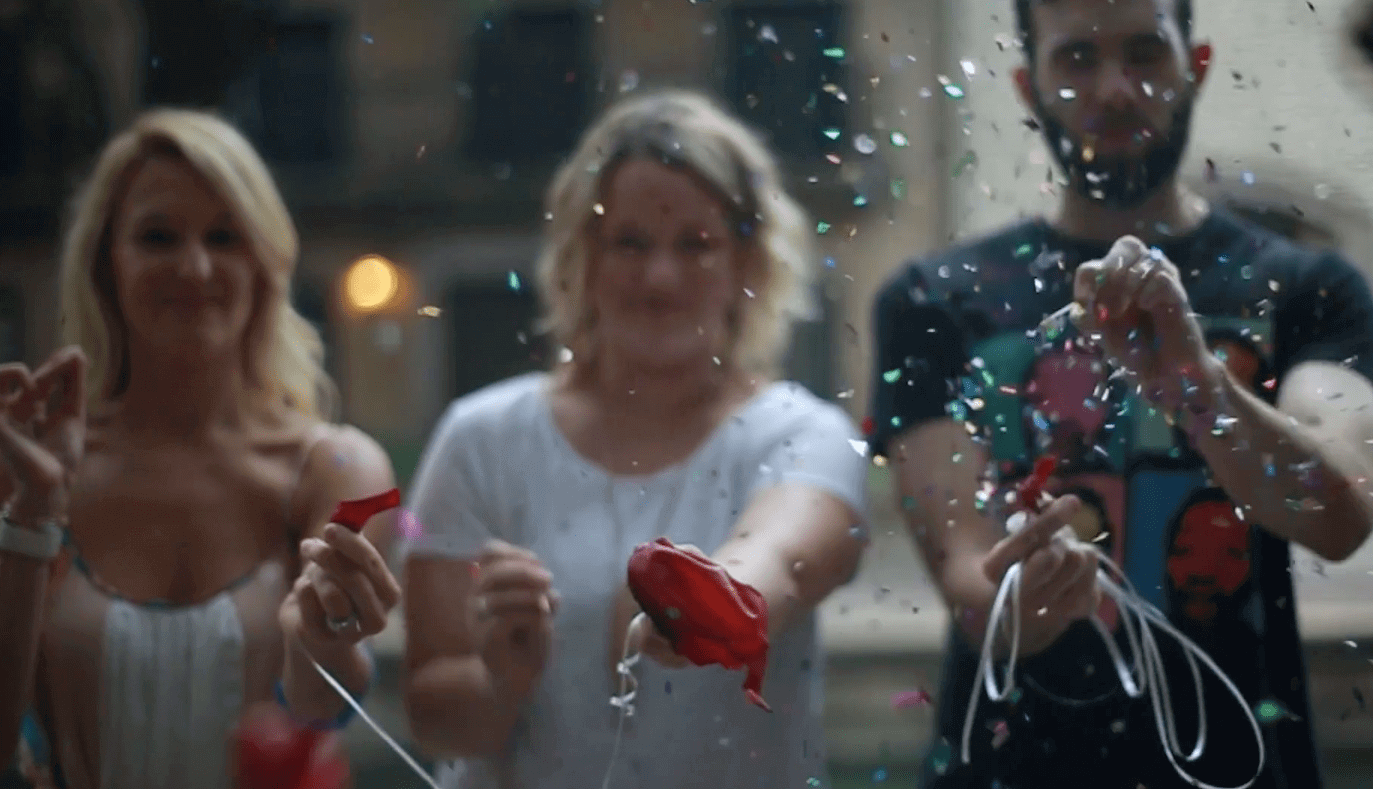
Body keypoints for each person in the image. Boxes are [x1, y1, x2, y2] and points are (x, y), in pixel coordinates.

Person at [868, 1, 1373, 787]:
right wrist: (1020, 603)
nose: (1114, 87)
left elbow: (1339, 512)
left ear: (1195, 67)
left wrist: (1199, 387)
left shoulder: (1308, 287)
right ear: (1025, 87)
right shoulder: (933, 298)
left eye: (1144, 54)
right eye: (1075, 61)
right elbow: (966, 577)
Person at [402, 89, 869, 789]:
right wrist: (502, 678)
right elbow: (430, 715)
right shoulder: (480, 438)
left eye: (696, 244)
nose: (660, 276)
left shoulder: (803, 432)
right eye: (630, 242)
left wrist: (706, 601)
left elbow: (785, 554)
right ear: (581, 255)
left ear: (747, 263)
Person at [0, 108, 402, 789]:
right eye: (158, 236)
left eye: (224, 236)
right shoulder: (35, 468)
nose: (194, 266)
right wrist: (31, 516)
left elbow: (320, 711)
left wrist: (325, 640)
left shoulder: (334, 469)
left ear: (266, 263)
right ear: (106, 261)